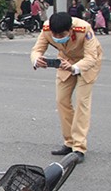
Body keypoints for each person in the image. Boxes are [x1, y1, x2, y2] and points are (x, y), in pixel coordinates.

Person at [30, 12, 103, 163]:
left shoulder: (84, 29)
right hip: (65, 60)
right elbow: (37, 49)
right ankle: (69, 142)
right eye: (54, 34)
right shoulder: (47, 28)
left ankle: (79, 148)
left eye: (61, 34)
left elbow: (91, 57)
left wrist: (74, 68)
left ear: (70, 30)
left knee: (82, 102)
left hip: (86, 63)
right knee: (61, 100)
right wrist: (37, 60)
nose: (56, 36)